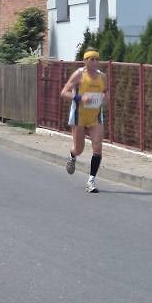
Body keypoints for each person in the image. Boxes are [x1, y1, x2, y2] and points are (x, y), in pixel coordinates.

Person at [60, 47, 108, 193]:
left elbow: (106, 91)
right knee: (79, 149)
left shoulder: (102, 77)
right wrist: (81, 98)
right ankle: (72, 155)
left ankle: (91, 181)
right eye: (91, 59)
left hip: (95, 116)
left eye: (96, 59)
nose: (94, 62)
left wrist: (106, 98)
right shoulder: (79, 75)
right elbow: (64, 92)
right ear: (85, 61)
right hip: (79, 115)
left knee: (98, 146)